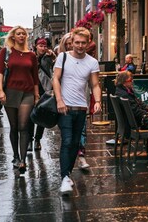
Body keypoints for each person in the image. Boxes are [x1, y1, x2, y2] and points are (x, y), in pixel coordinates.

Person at [53, 27, 101, 196]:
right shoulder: (63, 57)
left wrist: (98, 101)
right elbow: (56, 79)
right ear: (71, 42)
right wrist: (59, 100)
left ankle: (68, 172)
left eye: (83, 43)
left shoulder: (92, 62)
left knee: (75, 143)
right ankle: (65, 177)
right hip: (65, 107)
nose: (80, 46)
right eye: (77, 42)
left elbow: (95, 84)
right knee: (66, 141)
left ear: (88, 44)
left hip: (81, 108)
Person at [0, 26, 40, 173]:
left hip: (27, 93)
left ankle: (22, 160)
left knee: (23, 126)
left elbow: (35, 77)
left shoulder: (31, 55)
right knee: (14, 127)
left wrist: (36, 95)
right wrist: (0, 91)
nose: (21, 36)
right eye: (18, 34)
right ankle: (15, 155)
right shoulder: (6, 52)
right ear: (13, 37)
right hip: (10, 92)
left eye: (24, 34)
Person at [31, 37, 56, 151]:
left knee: (42, 114)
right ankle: (29, 139)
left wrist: (53, 56)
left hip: (45, 88)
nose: (43, 48)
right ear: (36, 46)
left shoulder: (49, 57)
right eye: (41, 46)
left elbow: (54, 68)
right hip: (32, 88)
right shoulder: (31, 56)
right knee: (30, 115)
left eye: (45, 46)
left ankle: (37, 139)